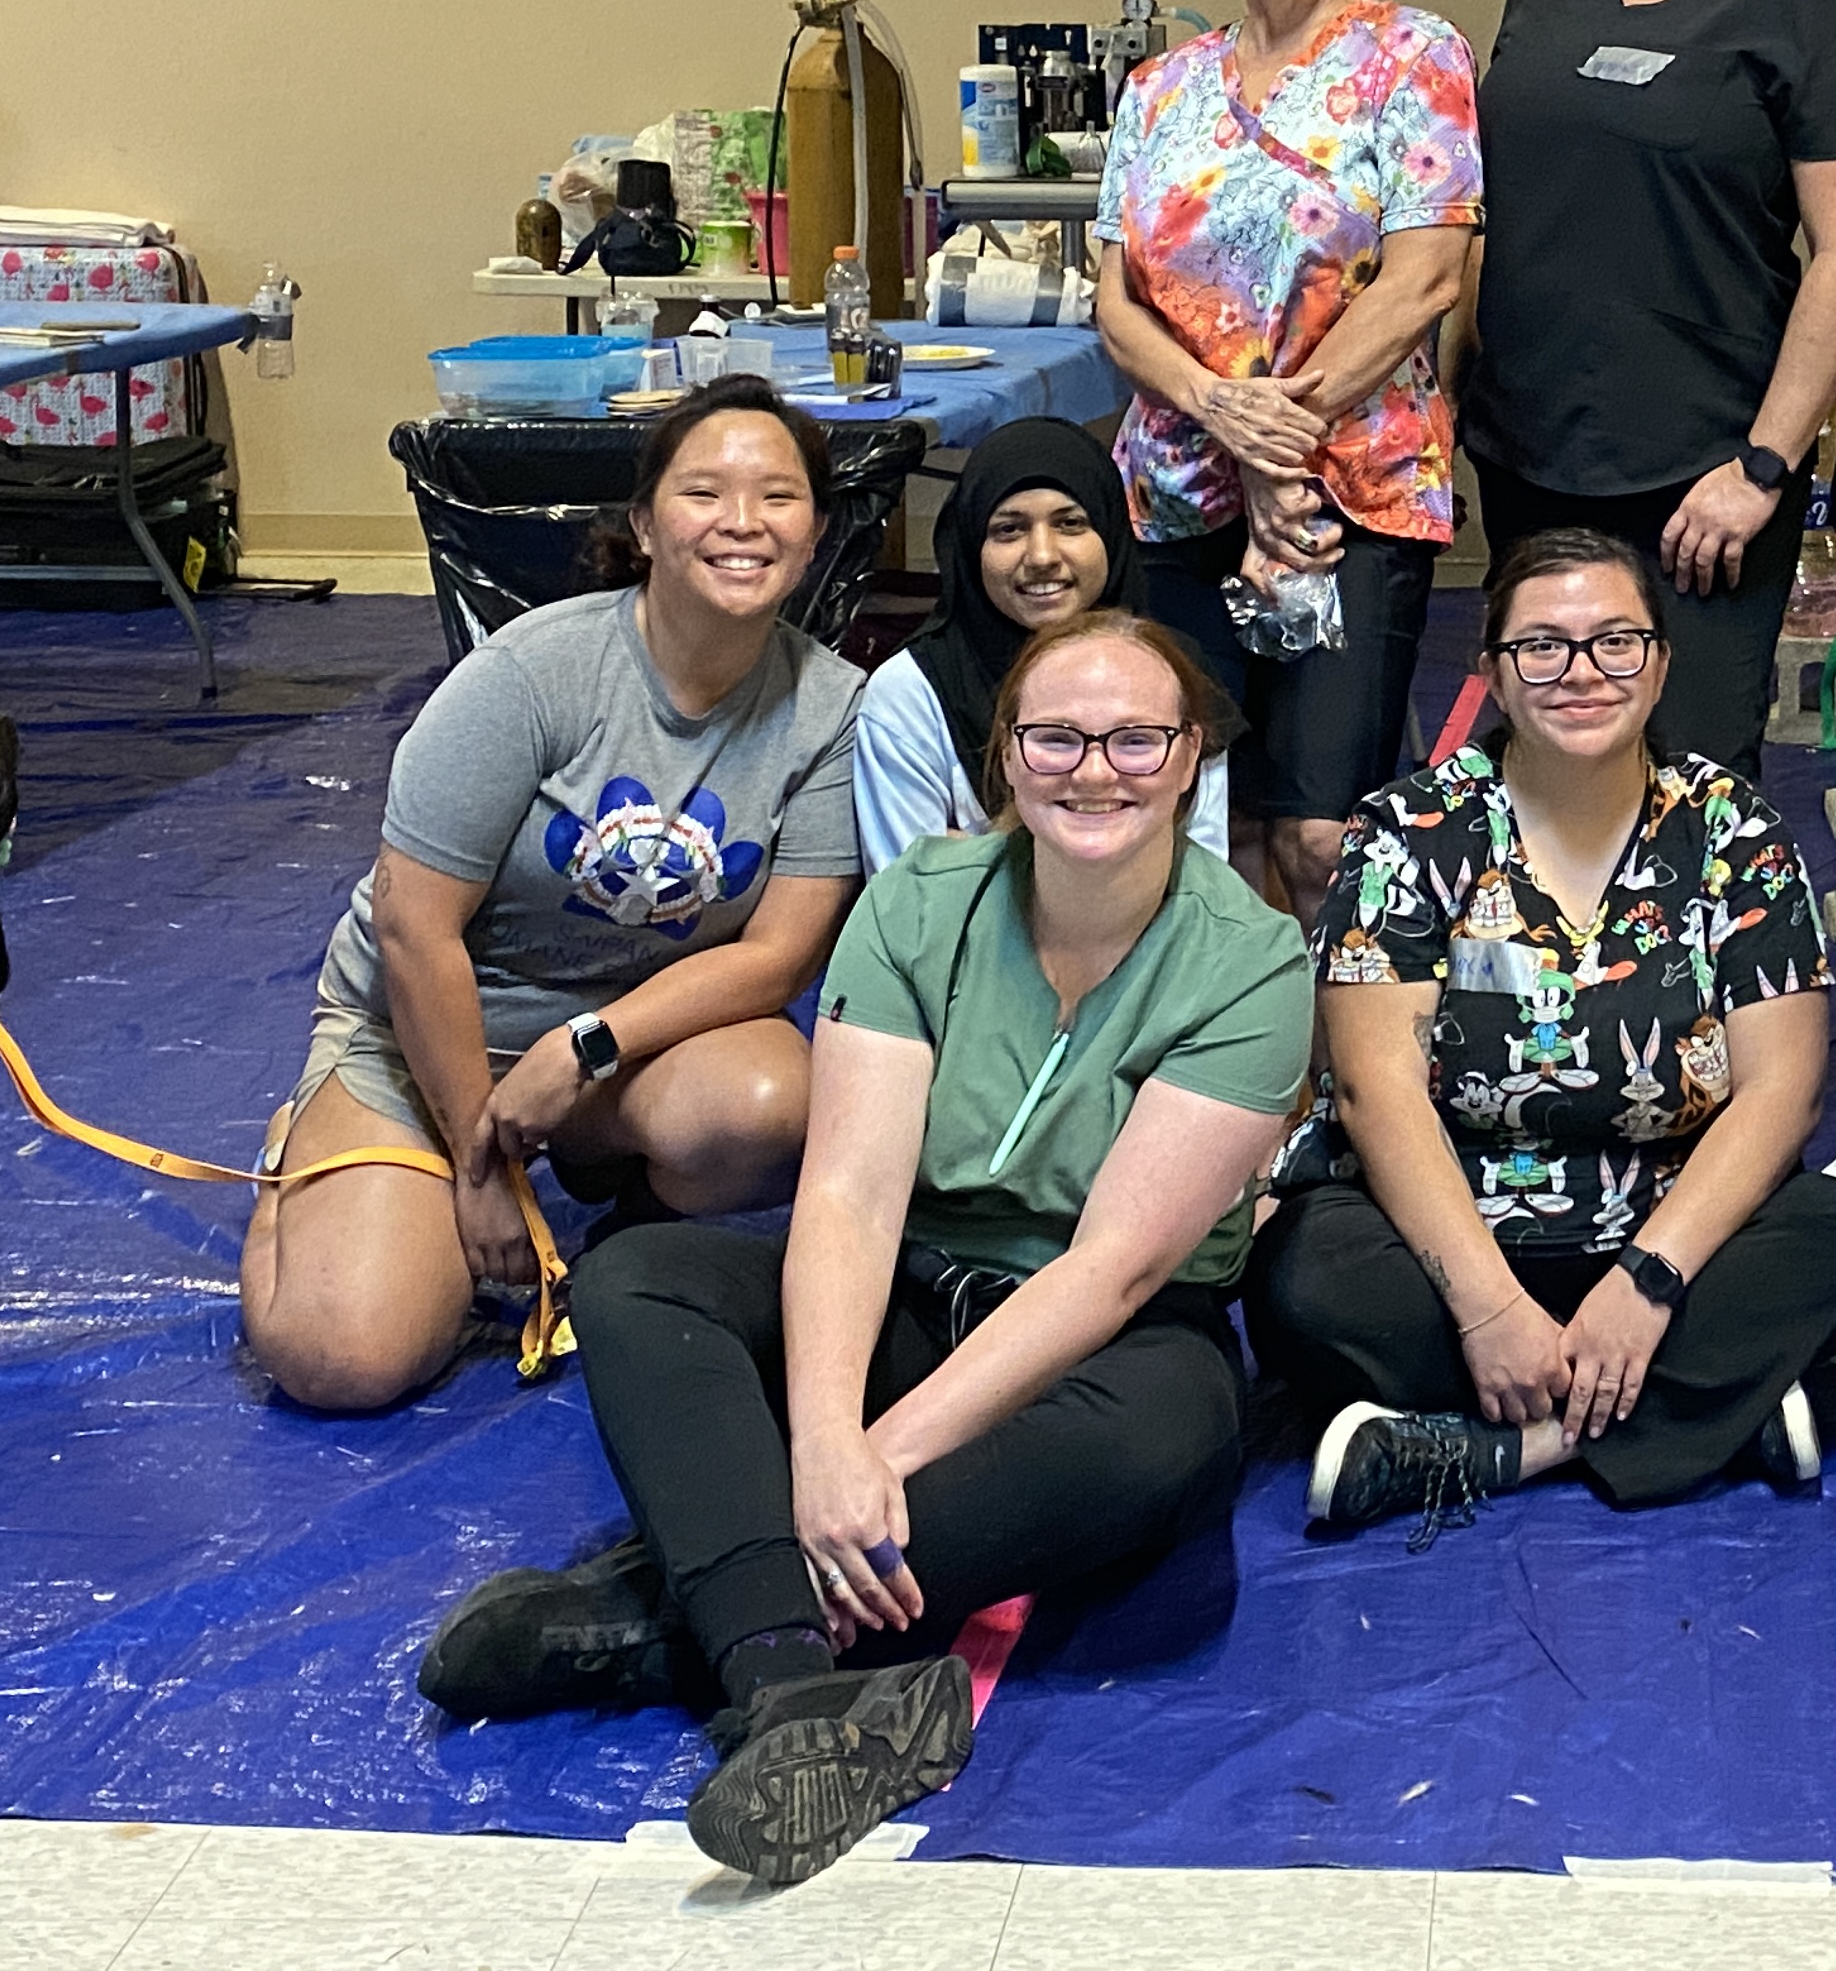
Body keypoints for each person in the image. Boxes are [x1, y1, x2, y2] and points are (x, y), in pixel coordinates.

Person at [416, 609, 1309, 1886]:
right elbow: (843, 1192)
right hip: (907, 1293)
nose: (1094, 768)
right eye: (1056, 736)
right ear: (1006, 755)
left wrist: (876, 1457)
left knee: (1166, 1435)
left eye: (1134, 739)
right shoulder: (921, 901)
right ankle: (791, 1690)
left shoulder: (1252, 962)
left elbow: (1108, 1268)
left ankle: (683, 1616)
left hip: (1101, 1341)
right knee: (642, 1274)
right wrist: (828, 1435)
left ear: (1186, 760)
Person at [1248, 528, 1836, 1531]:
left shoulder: (1734, 830)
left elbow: (1783, 1093)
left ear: (1662, 662)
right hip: (1451, 1246)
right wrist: (1489, 1309)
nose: (1581, 672)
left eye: (1615, 642)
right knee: (1303, 1269)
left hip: (1670, 1246)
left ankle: (1497, 1450)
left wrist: (1645, 1282)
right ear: (1493, 671)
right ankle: (1716, 1407)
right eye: (1541, 645)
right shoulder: (1408, 832)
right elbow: (1377, 1092)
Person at [238, 379, 865, 1413]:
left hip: (616, 1046)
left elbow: (780, 960)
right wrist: (480, 1160)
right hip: (429, 1029)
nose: (743, 522)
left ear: (817, 534)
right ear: (645, 525)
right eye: (705, 491)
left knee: (774, 1105)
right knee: (344, 1358)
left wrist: (586, 1052)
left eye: (778, 498)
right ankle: (305, 1149)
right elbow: (413, 926)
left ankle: (604, 1175)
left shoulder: (834, 710)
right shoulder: (534, 673)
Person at [1460, 0, 1836, 781]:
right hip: (1533, 462)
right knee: (1549, 774)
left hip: (1705, 484)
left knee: (1688, 794)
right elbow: (1492, 211)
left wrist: (1763, 465)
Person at [1094, 0, 1480, 914]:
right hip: (1179, 497)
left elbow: (1426, 278)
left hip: (1347, 494)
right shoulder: (1161, 90)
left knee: (1319, 832)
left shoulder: (1412, 57)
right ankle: (1230, 1078)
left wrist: (1279, 437)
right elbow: (1115, 304)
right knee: (1205, 826)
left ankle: (1343, 1084)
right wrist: (1222, 415)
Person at [848, 415, 1232, 864]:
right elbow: (909, 897)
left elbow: (1201, 882)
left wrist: (974, 859)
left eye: (1070, 524)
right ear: (971, 546)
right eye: (1009, 529)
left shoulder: (1174, 675)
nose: (1043, 556)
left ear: (1110, 531)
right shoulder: (912, 692)